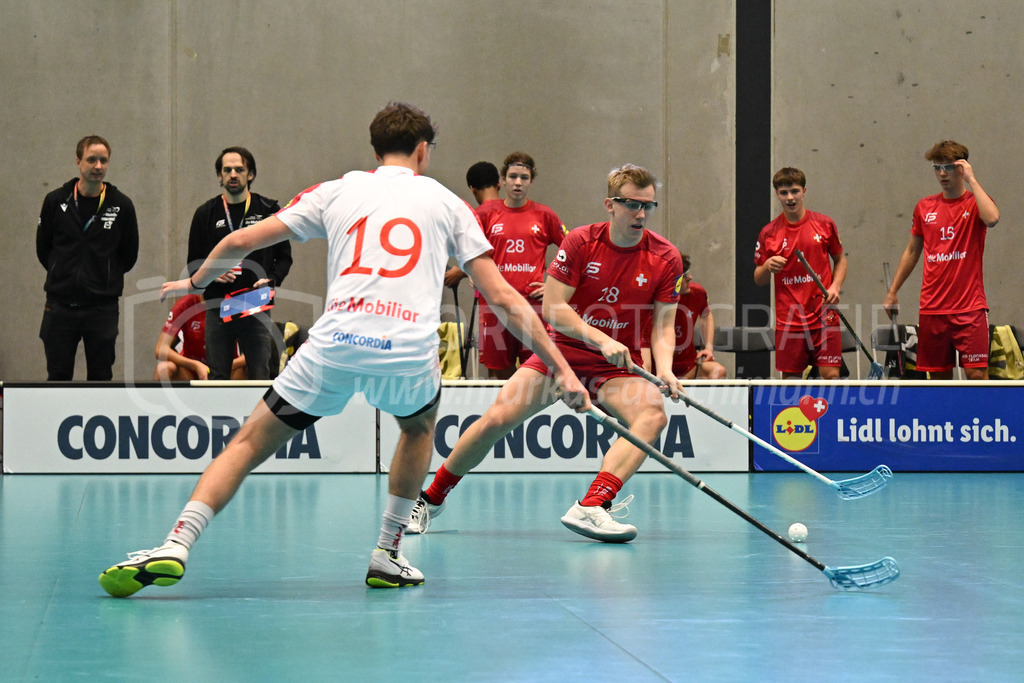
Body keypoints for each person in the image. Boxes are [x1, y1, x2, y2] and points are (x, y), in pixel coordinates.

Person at [97, 102, 588, 597]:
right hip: (407, 350)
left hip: (334, 344)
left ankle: (176, 542)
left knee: (247, 444)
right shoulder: (448, 204)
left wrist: (196, 280)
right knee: (418, 428)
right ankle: (387, 553)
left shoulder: (336, 189)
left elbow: (243, 239)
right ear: (423, 150)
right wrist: (562, 370)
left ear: (375, 150)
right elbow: (504, 297)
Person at [407, 163, 683, 543]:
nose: (640, 214)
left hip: (615, 368)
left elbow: (664, 326)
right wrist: (600, 338)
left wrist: (666, 369)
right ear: (610, 204)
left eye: (648, 206)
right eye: (631, 204)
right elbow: (554, 308)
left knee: (652, 416)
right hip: (562, 355)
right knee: (496, 419)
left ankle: (592, 506)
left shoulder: (666, 257)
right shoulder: (582, 243)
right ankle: (429, 499)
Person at [444, 152, 568, 378]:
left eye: (524, 177)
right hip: (495, 309)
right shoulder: (485, 214)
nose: (518, 182)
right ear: (502, 181)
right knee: (499, 375)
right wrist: (471, 272)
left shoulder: (545, 215)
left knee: (537, 373)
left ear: (531, 181)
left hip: (533, 308)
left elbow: (572, 250)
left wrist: (553, 286)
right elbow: (466, 249)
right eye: (513, 177)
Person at [884, 141, 999, 380]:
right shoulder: (925, 207)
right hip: (933, 309)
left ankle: (976, 419)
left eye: (948, 167)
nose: (942, 173)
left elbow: (992, 218)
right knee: (938, 381)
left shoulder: (975, 203)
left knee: (977, 375)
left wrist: (972, 180)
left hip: (970, 308)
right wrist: (893, 291)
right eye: (937, 168)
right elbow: (913, 251)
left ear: (962, 168)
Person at [36, 135, 139, 381]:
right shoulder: (55, 201)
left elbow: (129, 254)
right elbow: (44, 249)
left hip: (101, 307)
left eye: (103, 160)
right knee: (58, 375)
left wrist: (104, 275)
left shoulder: (121, 205)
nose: (98, 166)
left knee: (101, 377)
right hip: (60, 306)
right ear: (78, 162)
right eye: (91, 159)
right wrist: (62, 271)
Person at [185, 147, 292, 380]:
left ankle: (258, 417)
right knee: (218, 376)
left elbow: (284, 257)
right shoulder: (206, 213)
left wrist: (272, 279)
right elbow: (193, 262)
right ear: (219, 176)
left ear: (250, 174)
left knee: (260, 374)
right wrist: (211, 274)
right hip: (218, 307)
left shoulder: (269, 210)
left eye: (239, 169)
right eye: (227, 170)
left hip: (256, 306)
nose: (233, 174)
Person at [753, 167, 847, 379]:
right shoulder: (769, 233)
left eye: (794, 191)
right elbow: (758, 278)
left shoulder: (824, 224)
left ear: (804, 191)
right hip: (790, 321)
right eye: (784, 192)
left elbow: (840, 260)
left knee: (831, 375)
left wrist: (835, 286)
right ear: (776, 194)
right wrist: (767, 265)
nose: (790, 197)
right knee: (791, 381)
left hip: (824, 316)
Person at [641, 253, 727, 380]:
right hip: (658, 372)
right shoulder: (649, 307)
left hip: (689, 368)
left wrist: (708, 347)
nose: (690, 277)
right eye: (684, 275)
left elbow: (706, 314)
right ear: (670, 279)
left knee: (718, 371)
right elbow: (644, 350)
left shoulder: (696, 293)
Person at [153, 293, 246, 381]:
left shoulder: (235, 304)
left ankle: (256, 397)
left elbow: (256, 351)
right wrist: (195, 366)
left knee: (251, 367)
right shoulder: (186, 304)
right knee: (164, 368)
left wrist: (228, 365)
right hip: (190, 371)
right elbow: (161, 349)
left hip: (229, 369)